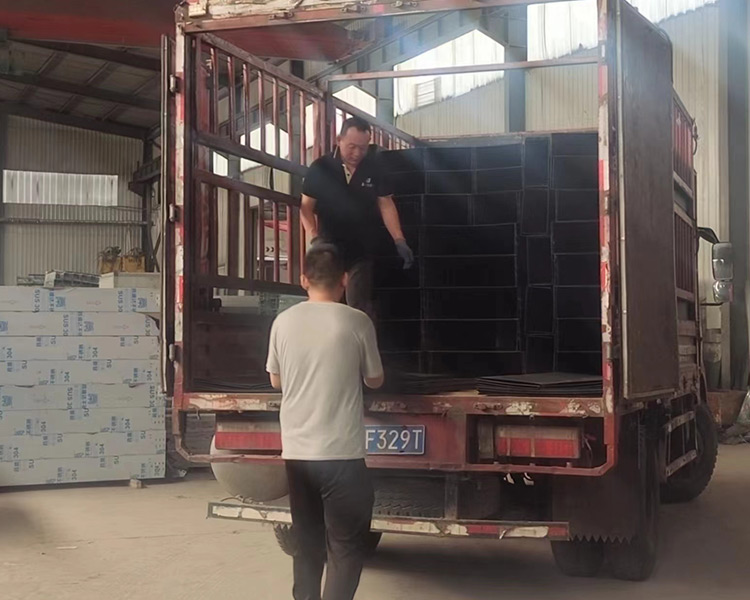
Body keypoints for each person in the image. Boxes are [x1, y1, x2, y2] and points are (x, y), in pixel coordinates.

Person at [266, 243, 385, 600]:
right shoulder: (356, 321)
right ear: (344, 280)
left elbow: (275, 380)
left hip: (298, 453)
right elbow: (374, 379)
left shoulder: (283, 322)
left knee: (307, 543)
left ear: (304, 279)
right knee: (345, 545)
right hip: (342, 455)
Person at [300, 116, 414, 317]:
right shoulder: (321, 168)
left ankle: (359, 335)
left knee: (358, 304)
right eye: (351, 147)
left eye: (362, 148)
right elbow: (306, 208)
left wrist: (399, 239)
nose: (357, 153)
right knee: (328, 302)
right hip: (328, 246)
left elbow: (386, 204)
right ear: (339, 140)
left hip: (362, 249)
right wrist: (314, 238)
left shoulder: (375, 168)